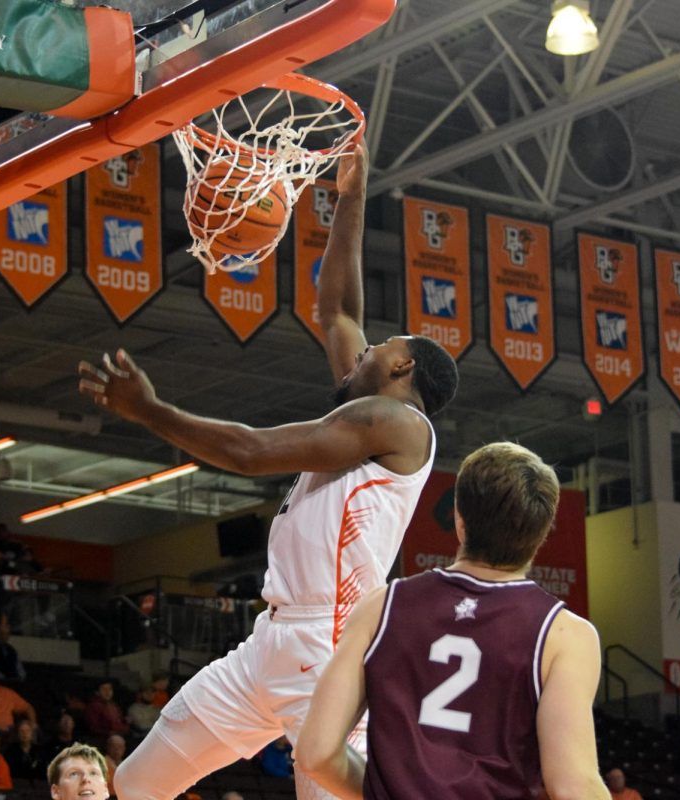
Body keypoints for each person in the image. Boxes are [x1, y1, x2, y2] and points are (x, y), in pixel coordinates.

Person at [90, 142, 458, 800]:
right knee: (134, 786)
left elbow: (251, 453)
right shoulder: (365, 407)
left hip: (331, 646)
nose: (366, 347)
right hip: (271, 640)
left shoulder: (398, 426)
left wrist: (150, 410)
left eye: (382, 347)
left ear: (402, 369)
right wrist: (349, 197)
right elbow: (338, 312)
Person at [297, 442, 608, 800]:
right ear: (543, 531)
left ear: (460, 519)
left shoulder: (382, 606)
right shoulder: (565, 635)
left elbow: (316, 753)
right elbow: (573, 787)